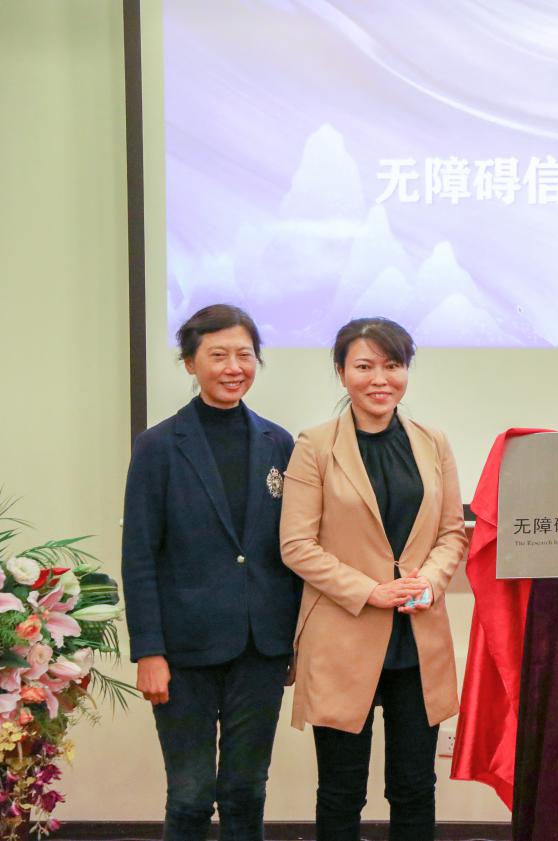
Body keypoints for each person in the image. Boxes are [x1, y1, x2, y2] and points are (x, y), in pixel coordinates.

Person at [280, 317, 467, 841]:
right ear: (342, 373)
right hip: (344, 635)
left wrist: (428, 582)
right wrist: (370, 591)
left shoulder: (433, 442)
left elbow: (452, 532)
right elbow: (296, 545)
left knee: (415, 787)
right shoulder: (315, 445)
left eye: (393, 365)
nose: (380, 379)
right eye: (364, 366)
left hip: (418, 638)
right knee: (342, 791)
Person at [122, 304, 299, 841]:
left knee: (246, 791)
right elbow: (139, 556)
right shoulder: (157, 446)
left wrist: (292, 642)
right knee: (191, 795)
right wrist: (148, 651)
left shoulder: (279, 443)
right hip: (183, 651)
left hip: (260, 648)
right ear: (190, 363)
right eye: (218, 355)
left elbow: (291, 549)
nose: (233, 367)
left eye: (244, 355)